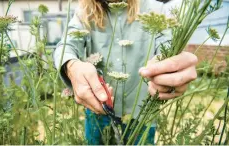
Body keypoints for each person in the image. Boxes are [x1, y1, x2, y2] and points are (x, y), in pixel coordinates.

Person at [53, 0, 198, 144]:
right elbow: (66, 46)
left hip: (141, 113)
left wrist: (171, 68)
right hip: (99, 108)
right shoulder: (85, 11)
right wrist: (71, 66)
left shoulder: (156, 10)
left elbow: (167, 50)